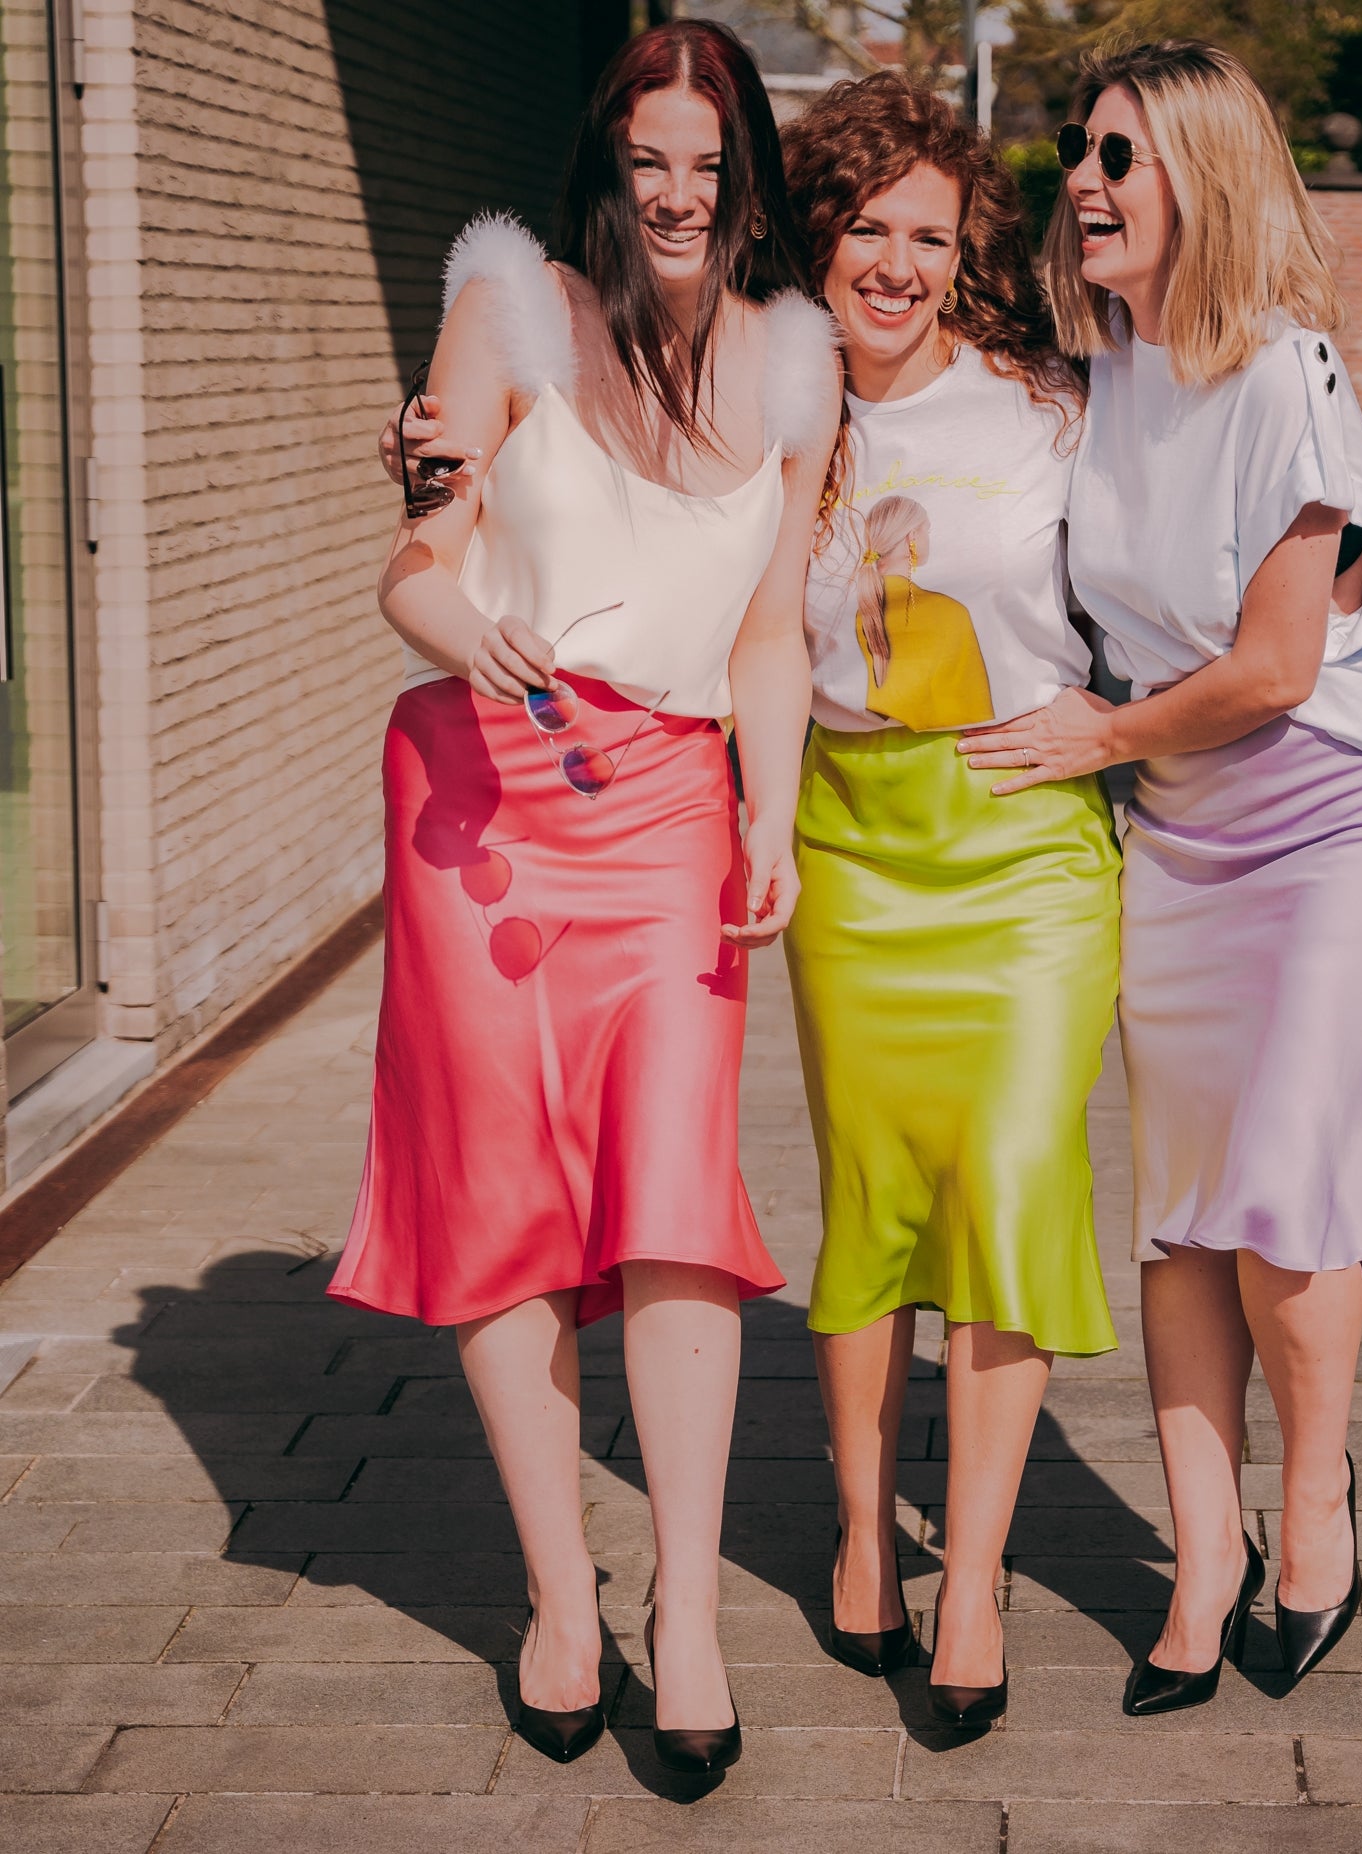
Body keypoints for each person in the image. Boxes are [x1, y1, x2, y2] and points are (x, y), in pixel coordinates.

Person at [333, 21, 836, 1772]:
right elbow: (420, 547)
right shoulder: (511, 309)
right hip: (489, 804)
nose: (681, 193)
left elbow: (770, 629)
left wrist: (771, 815)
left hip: (675, 821)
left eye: (712, 161)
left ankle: (682, 1608)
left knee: (680, 1208)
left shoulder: (792, 357)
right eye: (651, 159)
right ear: (609, 166)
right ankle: (562, 1594)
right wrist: (452, 613)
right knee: (502, 1207)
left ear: (747, 174)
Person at [964, 40, 1362, 1710]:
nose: (1085, 182)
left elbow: (1271, 664)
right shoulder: (1090, 374)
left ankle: (1313, 1515)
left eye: (1123, 154)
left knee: (1284, 1188)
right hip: (1178, 833)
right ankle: (1202, 1558)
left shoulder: (1285, 375)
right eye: (1080, 154)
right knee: (1183, 1219)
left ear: (1206, 178)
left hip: (1337, 817)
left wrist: (1087, 738)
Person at [780, 73, 1121, 1729]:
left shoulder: (1056, 409)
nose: (897, 263)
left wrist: (1120, 732)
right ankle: (862, 1537)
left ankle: (973, 1574)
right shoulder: (768, 408)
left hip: (1024, 845)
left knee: (1001, 1179)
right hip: (850, 845)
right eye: (866, 227)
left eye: (930, 231)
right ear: (820, 239)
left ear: (966, 249)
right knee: (872, 1197)